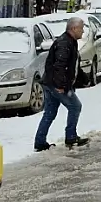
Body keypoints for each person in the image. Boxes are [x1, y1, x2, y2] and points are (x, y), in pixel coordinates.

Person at [35, 16, 90, 151]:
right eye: (81, 29)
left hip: (51, 82)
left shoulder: (69, 41)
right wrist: (60, 86)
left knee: (50, 113)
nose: (83, 32)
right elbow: (59, 66)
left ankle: (40, 142)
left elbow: (72, 65)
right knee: (75, 106)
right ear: (74, 28)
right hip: (55, 84)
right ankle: (70, 136)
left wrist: (83, 78)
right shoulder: (65, 43)